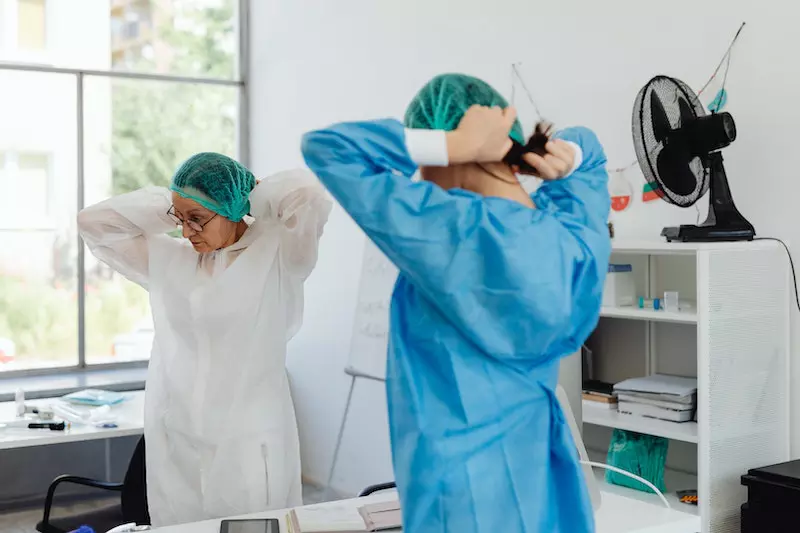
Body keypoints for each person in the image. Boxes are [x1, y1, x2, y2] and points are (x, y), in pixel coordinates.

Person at [301, 74, 610, 533]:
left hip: (458, 495)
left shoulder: (447, 229)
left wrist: (450, 143)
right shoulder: (572, 231)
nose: (423, 176)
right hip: (542, 483)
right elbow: (589, 155)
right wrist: (561, 154)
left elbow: (328, 148)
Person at [78, 153, 332, 527]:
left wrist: (250, 193)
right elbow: (93, 223)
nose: (185, 231)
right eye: (179, 220)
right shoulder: (172, 259)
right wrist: (175, 203)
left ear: (231, 207)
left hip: (247, 443)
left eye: (197, 220)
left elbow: (310, 195)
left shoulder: (278, 254)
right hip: (179, 444)